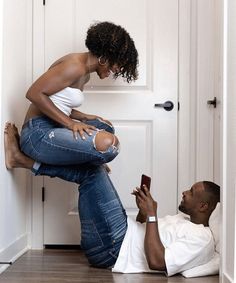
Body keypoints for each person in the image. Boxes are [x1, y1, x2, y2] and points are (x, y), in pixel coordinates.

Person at [4, 123, 220, 276]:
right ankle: (27, 157)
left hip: (113, 249)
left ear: (204, 206)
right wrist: (144, 211)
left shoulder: (201, 239)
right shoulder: (184, 222)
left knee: (94, 171)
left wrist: (153, 215)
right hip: (118, 238)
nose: (184, 192)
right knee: (94, 168)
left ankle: (24, 158)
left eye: (191, 192)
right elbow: (146, 235)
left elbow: (156, 262)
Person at [20, 21, 138, 167]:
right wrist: (71, 123)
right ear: (104, 58)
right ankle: (23, 160)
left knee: (106, 127)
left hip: (53, 124)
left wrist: (82, 116)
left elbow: (57, 101)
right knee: (108, 146)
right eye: (117, 64)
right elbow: (34, 94)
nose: (118, 69)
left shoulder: (85, 74)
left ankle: (92, 161)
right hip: (36, 132)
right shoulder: (75, 66)